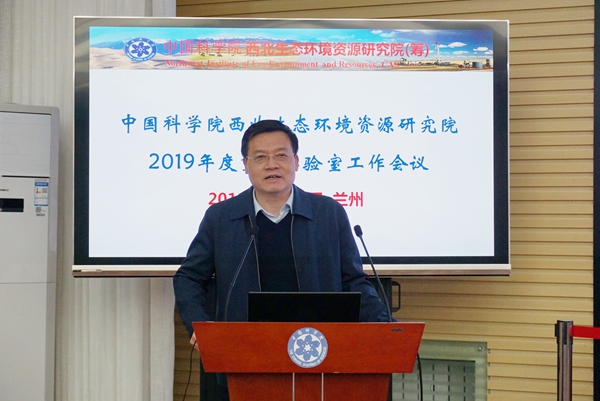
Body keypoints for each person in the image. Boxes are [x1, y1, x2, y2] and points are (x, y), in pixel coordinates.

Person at [173, 119, 391, 400]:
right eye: (260, 157)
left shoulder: (328, 213)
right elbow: (189, 276)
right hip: (247, 355)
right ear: (245, 165)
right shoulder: (222, 217)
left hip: (319, 350)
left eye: (281, 155)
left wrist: (386, 327)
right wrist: (199, 326)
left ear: (296, 161)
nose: (271, 165)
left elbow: (354, 281)